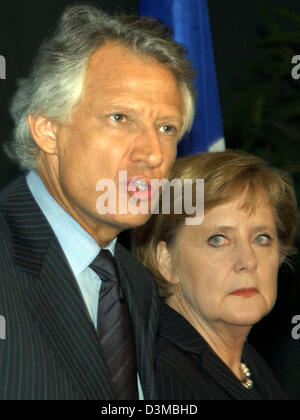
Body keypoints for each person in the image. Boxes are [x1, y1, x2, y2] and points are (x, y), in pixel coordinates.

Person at [0, 4, 196, 400]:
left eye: (166, 128)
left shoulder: (134, 283)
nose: (153, 153)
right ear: (48, 130)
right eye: (120, 118)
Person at [134, 150, 298, 400]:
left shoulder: (244, 361)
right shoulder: (163, 376)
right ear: (166, 262)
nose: (247, 261)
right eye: (218, 240)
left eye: (261, 239)